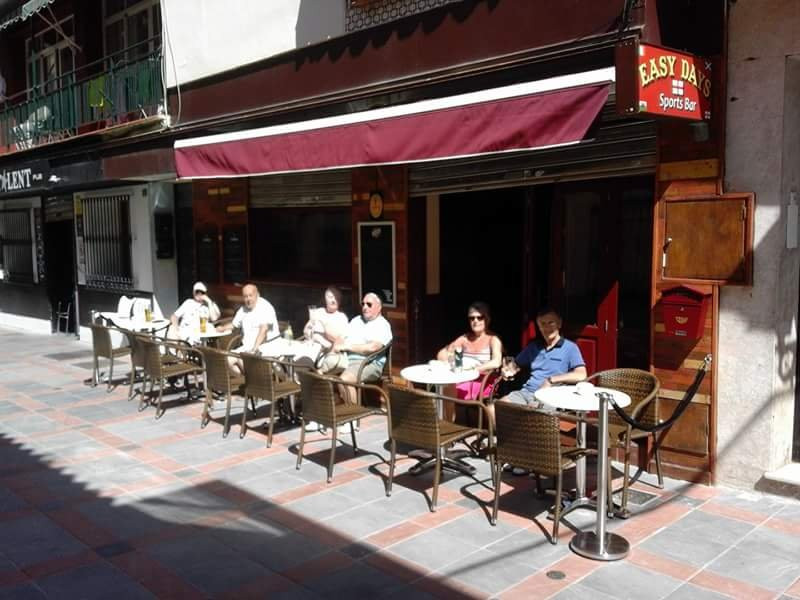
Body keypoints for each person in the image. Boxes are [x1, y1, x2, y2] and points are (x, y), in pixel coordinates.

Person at [499, 306, 587, 408]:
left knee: (529, 413)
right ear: (539, 327)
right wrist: (507, 370)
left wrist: (551, 380)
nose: (547, 327)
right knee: (496, 407)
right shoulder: (533, 347)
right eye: (543, 324)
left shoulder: (570, 347)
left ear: (559, 324)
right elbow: (515, 365)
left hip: (550, 396)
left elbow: (581, 374)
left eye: (551, 323)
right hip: (527, 393)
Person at [320, 292, 392, 405]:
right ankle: (328, 410)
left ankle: (354, 413)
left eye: (369, 304)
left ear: (379, 307)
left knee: (345, 380)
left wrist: (348, 346)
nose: (365, 307)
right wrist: (333, 351)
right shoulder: (356, 320)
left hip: (368, 363)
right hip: (345, 359)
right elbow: (341, 337)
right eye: (363, 304)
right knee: (319, 376)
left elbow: (373, 347)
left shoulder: (382, 325)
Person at [435, 301, 502, 420]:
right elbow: (441, 354)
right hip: (463, 378)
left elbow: (497, 362)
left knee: (449, 389)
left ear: (487, 319)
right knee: (446, 386)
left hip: (483, 381)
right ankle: (448, 423)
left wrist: (476, 368)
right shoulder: (465, 338)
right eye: (472, 318)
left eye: (480, 317)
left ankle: (448, 422)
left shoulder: (493, 339)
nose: (475, 321)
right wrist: (451, 358)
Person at [219, 283, 279, 375]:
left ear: (257, 295)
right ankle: (249, 378)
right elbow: (234, 324)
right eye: (245, 296)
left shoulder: (265, 307)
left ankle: (254, 377)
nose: (248, 299)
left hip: (264, 349)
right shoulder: (243, 309)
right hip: (246, 348)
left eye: (250, 295)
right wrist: (221, 328)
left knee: (237, 359)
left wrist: (254, 349)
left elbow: (264, 330)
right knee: (225, 360)